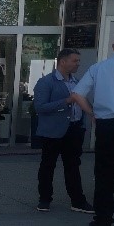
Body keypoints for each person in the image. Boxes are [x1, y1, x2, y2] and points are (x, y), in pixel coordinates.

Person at [72, 31, 114, 226]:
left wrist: (92, 113)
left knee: (104, 174)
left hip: (107, 124)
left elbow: (77, 94)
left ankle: (103, 220)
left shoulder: (99, 67)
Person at [33, 48, 93, 214]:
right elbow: (40, 107)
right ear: (62, 61)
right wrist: (66, 101)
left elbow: (82, 102)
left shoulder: (77, 82)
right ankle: (45, 199)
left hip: (74, 130)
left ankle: (78, 201)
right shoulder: (46, 82)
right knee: (48, 165)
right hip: (53, 131)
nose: (78, 64)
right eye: (75, 61)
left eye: (78, 61)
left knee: (73, 166)